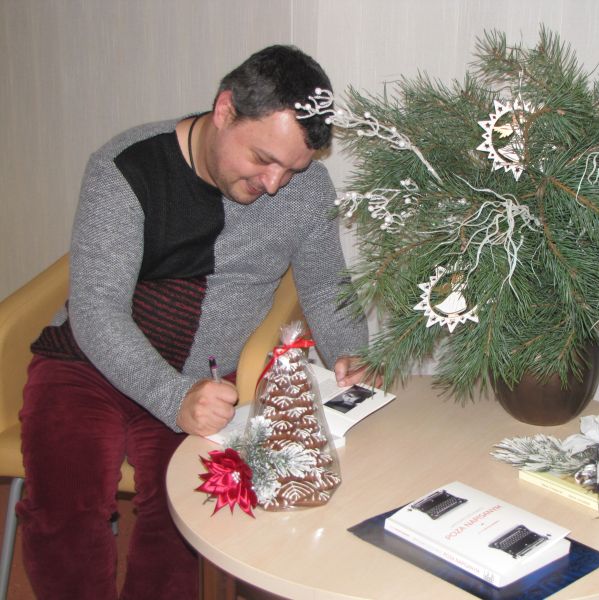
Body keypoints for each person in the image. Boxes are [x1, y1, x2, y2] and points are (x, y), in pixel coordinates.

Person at [17, 45, 370, 599]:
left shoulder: (305, 191)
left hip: (205, 381)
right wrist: (170, 395)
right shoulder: (127, 168)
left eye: (292, 168)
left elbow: (326, 286)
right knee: (66, 507)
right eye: (262, 158)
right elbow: (96, 309)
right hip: (89, 365)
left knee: (187, 518)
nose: (274, 183)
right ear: (225, 109)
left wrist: (351, 350)